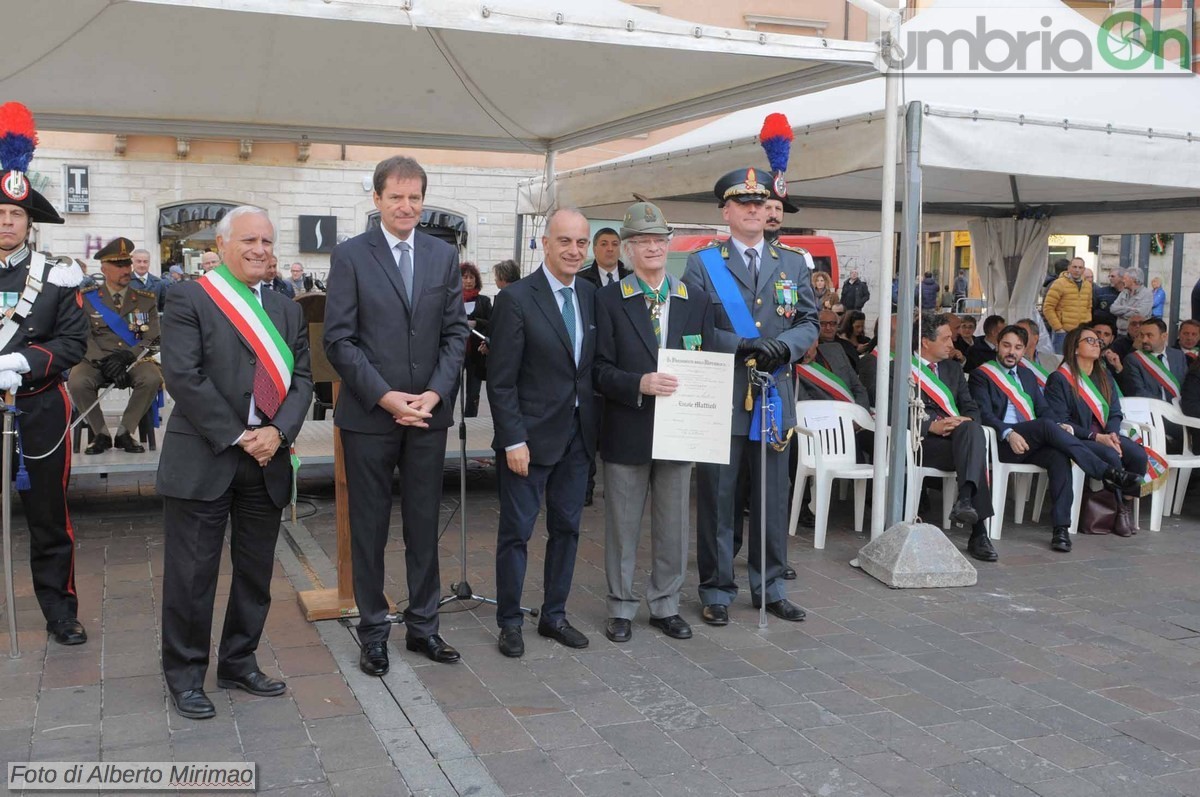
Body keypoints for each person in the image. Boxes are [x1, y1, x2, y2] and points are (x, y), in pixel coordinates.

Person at [158, 206, 313, 719]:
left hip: (267, 459)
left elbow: (305, 381)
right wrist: (239, 435)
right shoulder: (189, 298)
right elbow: (183, 376)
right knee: (192, 575)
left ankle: (238, 662)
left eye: (267, 241)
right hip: (206, 455)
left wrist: (278, 431)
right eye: (249, 240)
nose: (260, 249)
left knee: (254, 573)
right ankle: (184, 676)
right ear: (221, 246)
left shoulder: (287, 310)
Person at [324, 156, 469, 675]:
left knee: (424, 523)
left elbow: (455, 332)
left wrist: (433, 393)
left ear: (423, 201)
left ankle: (425, 627)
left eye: (414, 197)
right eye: (396, 197)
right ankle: (374, 631)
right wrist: (386, 397)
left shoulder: (441, 254)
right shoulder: (350, 256)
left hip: (428, 413)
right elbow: (338, 340)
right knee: (369, 527)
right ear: (377, 200)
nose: (406, 206)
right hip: (370, 415)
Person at [682, 166, 818, 626]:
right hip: (724, 394)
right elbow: (694, 327)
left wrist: (787, 346)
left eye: (760, 203)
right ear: (727, 211)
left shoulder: (793, 263)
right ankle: (717, 589)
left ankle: (771, 587)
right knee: (719, 498)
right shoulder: (704, 263)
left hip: (773, 396)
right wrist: (739, 344)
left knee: (772, 497)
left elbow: (808, 321)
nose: (754, 210)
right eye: (744, 203)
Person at [593, 201, 712, 643]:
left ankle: (665, 604)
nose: (653, 248)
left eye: (659, 241)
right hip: (629, 425)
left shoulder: (693, 299)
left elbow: (705, 363)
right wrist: (637, 383)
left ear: (670, 245)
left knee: (673, 524)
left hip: (681, 430)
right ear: (626, 249)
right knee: (622, 524)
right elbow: (597, 369)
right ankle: (621, 606)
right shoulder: (607, 299)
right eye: (642, 242)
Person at [488, 208, 598, 657]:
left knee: (567, 529)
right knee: (517, 532)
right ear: (546, 243)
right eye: (565, 241)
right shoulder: (515, 298)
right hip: (528, 442)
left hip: (577, 438)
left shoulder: (590, 296)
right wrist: (513, 439)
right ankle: (510, 622)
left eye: (581, 243)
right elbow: (501, 379)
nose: (574, 251)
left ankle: (554, 616)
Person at [0, 110, 89, 646]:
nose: (6, 221)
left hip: (37, 408)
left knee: (48, 516)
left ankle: (59, 609)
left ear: (29, 221)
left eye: (15, 213)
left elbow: (73, 343)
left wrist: (25, 362)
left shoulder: (56, 273)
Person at [969, 325, 1141, 553]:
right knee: (1046, 425)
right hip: (1003, 441)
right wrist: (1009, 433)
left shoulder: (1027, 375)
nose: (1012, 352)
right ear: (997, 346)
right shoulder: (981, 375)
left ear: (1024, 350)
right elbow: (984, 415)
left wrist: (1060, 426)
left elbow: (1044, 409)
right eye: (1007, 346)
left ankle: (1060, 529)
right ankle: (1106, 471)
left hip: (1035, 439)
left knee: (1059, 454)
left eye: (1018, 347)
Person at [1045, 326, 1148, 535]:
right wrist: (1096, 437)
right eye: (1090, 341)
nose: (1097, 344)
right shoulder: (1060, 379)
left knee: (1138, 454)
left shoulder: (1104, 375)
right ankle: (1118, 512)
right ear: (1075, 348)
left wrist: (1111, 434)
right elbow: (1060, 421)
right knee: (1111, 456)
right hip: (1080, 438)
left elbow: (1115, 413)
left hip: (1106, 435)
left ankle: (1125, 504)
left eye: (1099, 342)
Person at [911, 313, 996, 561]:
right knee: (975, 452)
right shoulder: (901, 367)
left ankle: (966, 501)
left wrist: (965, 420)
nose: (953, 344)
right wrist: (932, 426)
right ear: (926, 342)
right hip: (923, 443)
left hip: (960, 440)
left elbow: (970, 407)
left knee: (972, 431)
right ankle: (978, 531)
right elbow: (892, 413)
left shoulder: (952, 368)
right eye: (947, 339)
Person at [68, 237, 163, 454]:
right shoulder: (88, 298)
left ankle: (125, 432)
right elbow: (83, 335)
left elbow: (154, 338)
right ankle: (100, 433)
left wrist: (128, 357)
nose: (126, 269)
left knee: (152, 378)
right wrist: (102, 361)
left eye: (127, 264)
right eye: (119, 265)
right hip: (96, 360)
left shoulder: (145, 299)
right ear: (104, 269)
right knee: (77, 381)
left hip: (133, 360)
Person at [1121, 317, 1188, 401]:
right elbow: (1137, 392)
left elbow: (1187, 385)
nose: (1144, 340)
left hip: (1180, 409)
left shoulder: (1178, 355)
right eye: (1141, 335)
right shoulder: (1133, 360)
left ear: (1164, 336)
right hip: (1154, 409)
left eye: (1149, 335)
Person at [460, 261, 491, 417]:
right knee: (450, 387)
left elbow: (492, 323)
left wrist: (476, 322)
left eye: (471, 277)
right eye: (465, 277)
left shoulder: (484, 301)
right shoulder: (453, 299)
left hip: (476, 351)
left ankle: (471, 417)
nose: (468, 281)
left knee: (473, 389)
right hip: (456, 350)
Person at [1042, 257, 1092, 352]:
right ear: (1069, 268)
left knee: (1076, 360)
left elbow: (1088, 306)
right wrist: (1058, 328)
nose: (1077, 270)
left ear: (1084, 270)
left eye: (1080, 267)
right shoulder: (1059, 283)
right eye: (1074, 267)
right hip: (1062, 333)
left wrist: (1086, 322)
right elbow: (1048, 307)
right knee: (1059, 361)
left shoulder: (1087, 285)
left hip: (1079, 332)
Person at [1111, 269, 1153, 335]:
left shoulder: (1147, 294)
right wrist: (1129, 309)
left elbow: (1140, 314)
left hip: (1137, 334)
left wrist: (1120, 313)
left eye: (1125, 278)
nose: (1122, 280)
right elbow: (1112, 309)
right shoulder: (1124, 292)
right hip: (1120, 333)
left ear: (1133, 279)